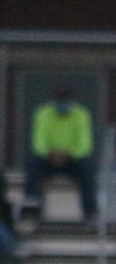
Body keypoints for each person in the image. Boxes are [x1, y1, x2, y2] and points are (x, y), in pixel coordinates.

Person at [22, 89, 96, 225]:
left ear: (72, 102)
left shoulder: (81, 115)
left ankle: (90, 212)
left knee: (87, 166)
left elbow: (85, 145)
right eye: (60, 102)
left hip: (72, 160)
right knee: (32, 162)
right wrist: (50, 153)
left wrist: (69, 154)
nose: (62, 105)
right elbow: (38, 141)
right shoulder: (43, 113)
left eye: (65, 102)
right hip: (49, 159)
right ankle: (30, 211)